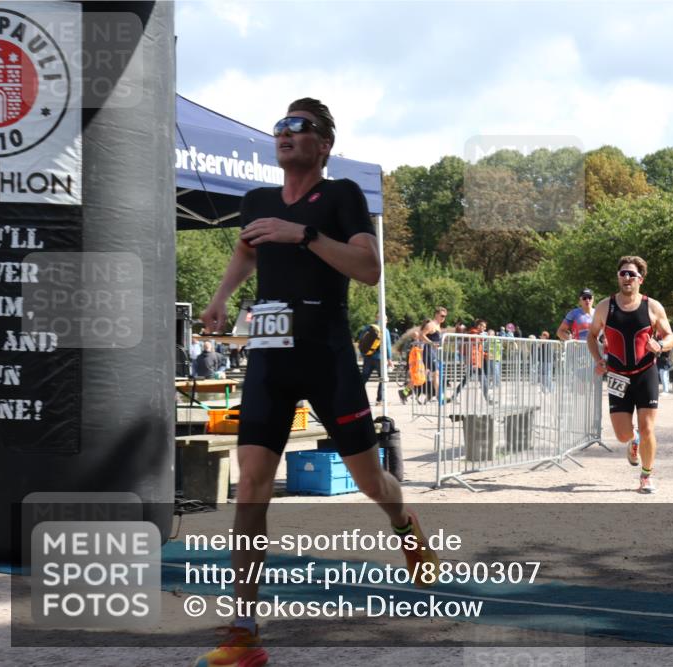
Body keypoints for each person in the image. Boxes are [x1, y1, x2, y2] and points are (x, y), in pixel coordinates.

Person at [196, 98, 437, 667]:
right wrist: (221, 296)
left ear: (323, 144)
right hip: (271, 357)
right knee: (251, 481)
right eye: (279, 126)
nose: (284, 134)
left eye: (297, 128)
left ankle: (405, 524)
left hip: (327, 357)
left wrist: (302, 234)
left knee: (372, 479)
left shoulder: (341, 196)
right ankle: (244, 632)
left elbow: (368, 268)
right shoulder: (255, 201)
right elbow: (244, 249)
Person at [587, 256, 673, 494]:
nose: (626, 278)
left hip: (645, 373)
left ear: (640, 280)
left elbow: (670, 337)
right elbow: (592, 336)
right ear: (618, 277)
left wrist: (660, 345)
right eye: (623, 274)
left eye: (631, 274)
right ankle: (633, 440)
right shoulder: (606, 307)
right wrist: (598, 359)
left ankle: (646, 477)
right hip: (617, 375)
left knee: (648, 428)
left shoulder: (653, 307)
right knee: (623, 434)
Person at [358, 318, 393, 405]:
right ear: (385, 320)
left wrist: (363, 355)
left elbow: (361, 341)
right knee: (382, 378)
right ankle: (379, 400)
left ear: (376, 319)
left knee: (364, 378)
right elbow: (387, 346)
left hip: (368, 357)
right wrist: (389, 359)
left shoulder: (368, 328)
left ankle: (356, 397)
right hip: (379, 358)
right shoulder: (385, 330)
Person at [421, 306, 448, 401]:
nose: (443, 318)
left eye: (445, 316)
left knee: (434, 374)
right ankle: (439, 396)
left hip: (435, 352)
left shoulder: (438, 326)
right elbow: (422, 335)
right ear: (436, 315)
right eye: (442, 315)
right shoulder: (431, 325)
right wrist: (431, 343)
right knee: (435, 374)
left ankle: (406, 392)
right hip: (429, 351)